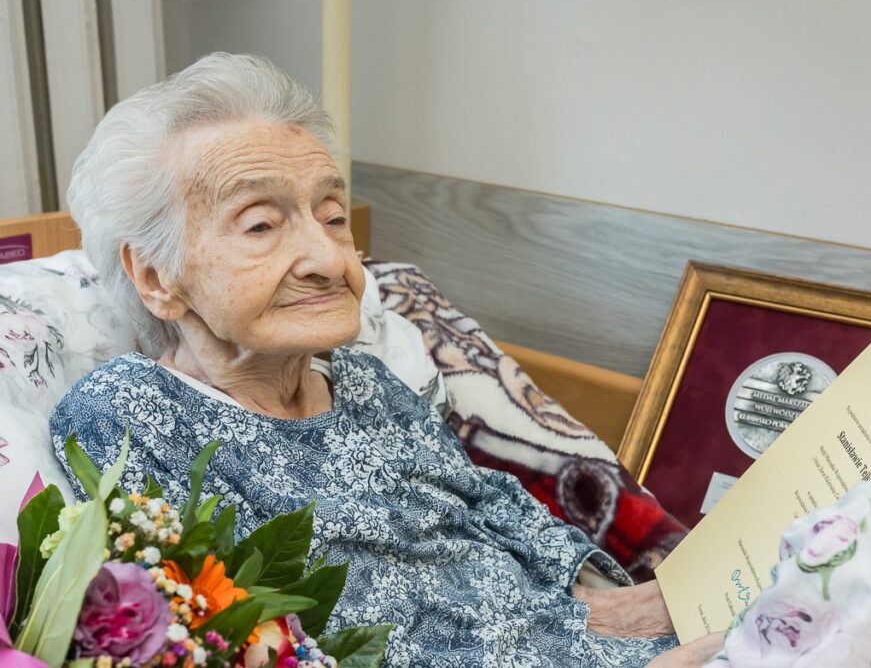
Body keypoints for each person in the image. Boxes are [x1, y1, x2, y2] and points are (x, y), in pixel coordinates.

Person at [49, 52, 722, 667]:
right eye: (261, 224)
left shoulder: (365, 382)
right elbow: (232, 639)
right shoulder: (130, 415)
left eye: (333, 215)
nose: (327, 259)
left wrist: (625, 606)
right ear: (156, 277)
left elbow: (493, 506)